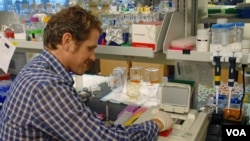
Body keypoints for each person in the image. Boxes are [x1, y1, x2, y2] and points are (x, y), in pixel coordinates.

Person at [0, 5, 173, 140]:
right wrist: (156, 124)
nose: (93, 57)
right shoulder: (47, 86)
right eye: (89, 48)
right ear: (67, 41)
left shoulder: (37, 68)